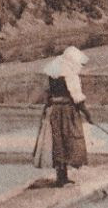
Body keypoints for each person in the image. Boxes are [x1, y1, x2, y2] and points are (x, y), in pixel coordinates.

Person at [34, 45, 91, 186]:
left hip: (54, 110)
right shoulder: (69, 73)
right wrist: (87, 114)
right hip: (66, 110)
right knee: (69, 140)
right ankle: (62, 178)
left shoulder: (54, 72)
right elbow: (77, 96)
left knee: (58, 142)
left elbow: (47, 93)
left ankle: (61, 177)